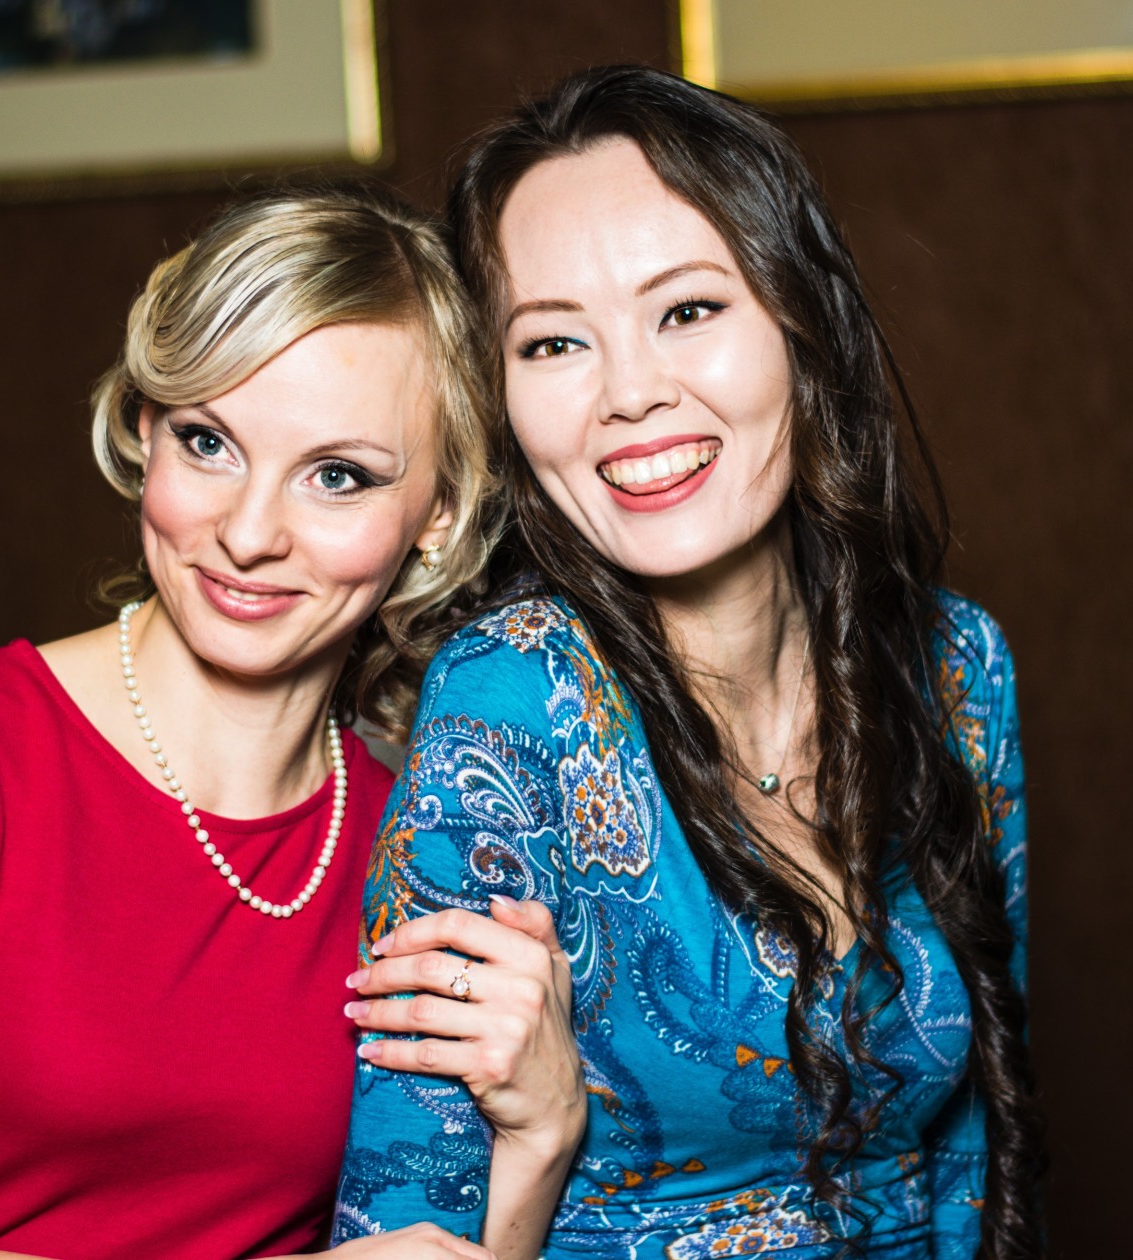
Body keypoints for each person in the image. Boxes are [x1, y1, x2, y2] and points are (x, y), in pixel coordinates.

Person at [0, 186, 586, 1260]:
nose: (248, 533)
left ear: (441, 517)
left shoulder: (419, 842)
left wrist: (543, 1137)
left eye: (337, 476)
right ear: (147, 432)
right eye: (209, 442)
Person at [334, 67, 1044, 1258]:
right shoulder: (508, 710)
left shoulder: (955, 668)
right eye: (554, 341)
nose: (630, 395)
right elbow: (401, 1232)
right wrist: (542, 1133)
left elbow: (977, 1162)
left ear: (804, 324)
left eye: (688, 311)